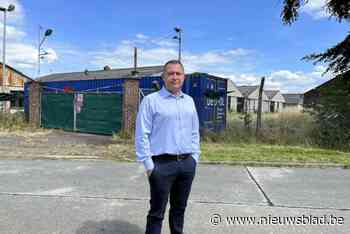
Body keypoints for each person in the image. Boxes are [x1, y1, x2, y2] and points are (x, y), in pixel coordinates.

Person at [135, 60, 200, 234]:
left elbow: (195, 132)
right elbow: (142, 135)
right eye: (170, 73)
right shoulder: (151, 101)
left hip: (186, 164)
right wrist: (149, 166)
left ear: (183, 77)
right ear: (163, 77)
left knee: (179, 210)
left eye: (178, 73)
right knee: (157, 213)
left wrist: (195, 159)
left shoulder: (189, 101)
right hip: (161, 165)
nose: (174, 77)